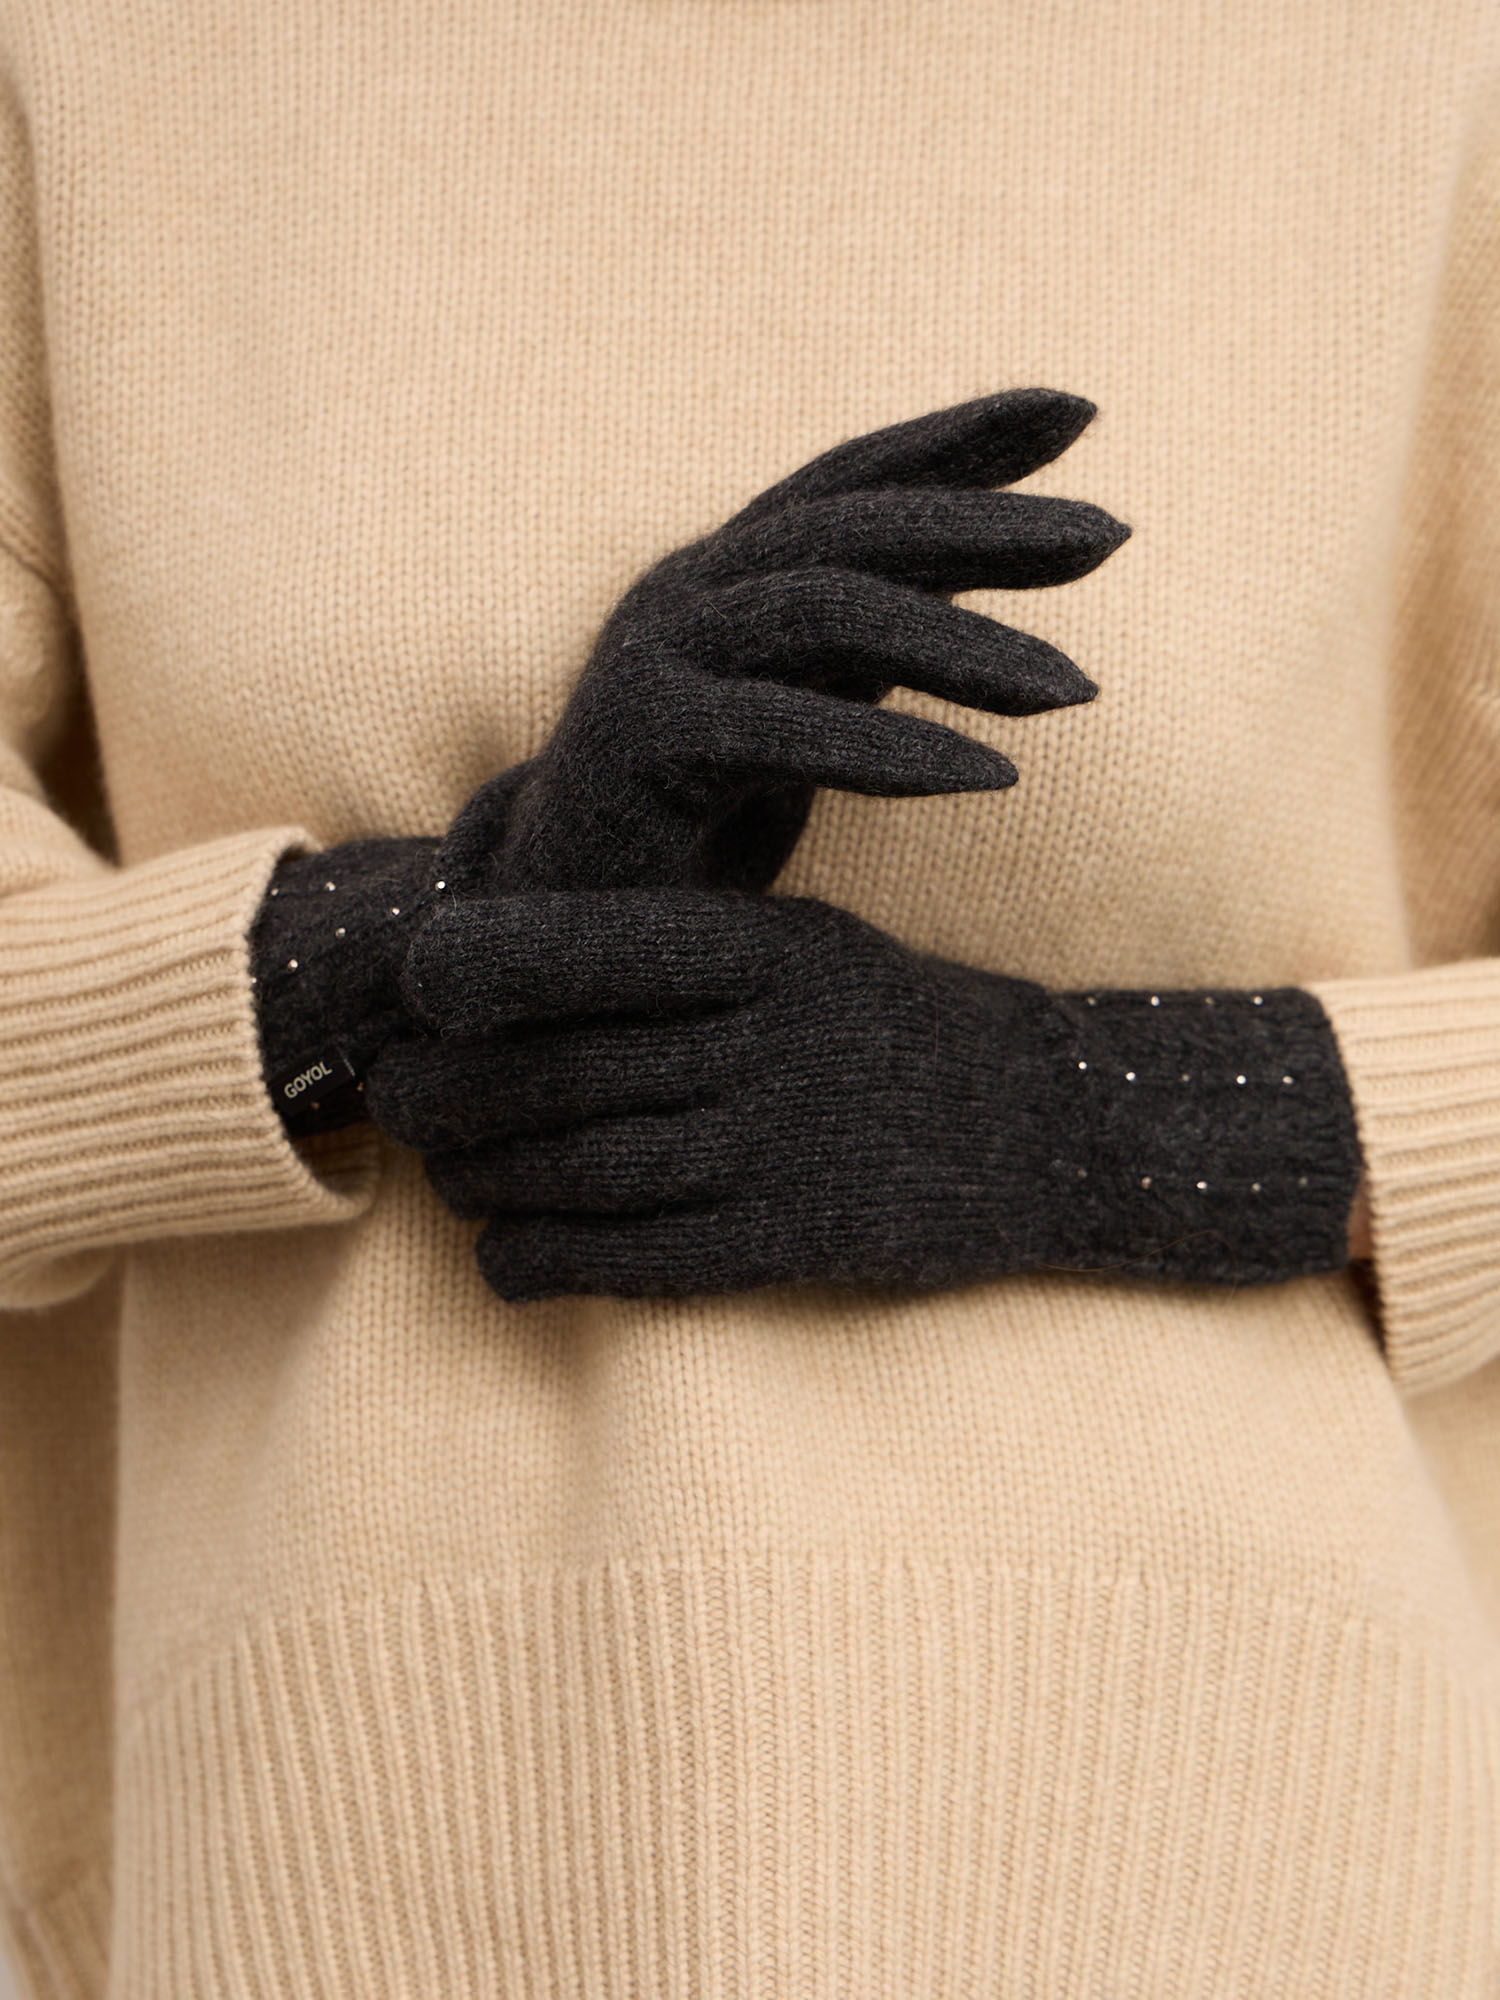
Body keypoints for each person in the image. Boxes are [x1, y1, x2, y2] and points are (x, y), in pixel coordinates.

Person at [0, 3, 1496, 1993]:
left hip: (1258, 1841)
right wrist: (419, 940)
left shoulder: (1427, 63)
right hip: (357, 1857)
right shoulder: (92, 59)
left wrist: (1070, 1116)